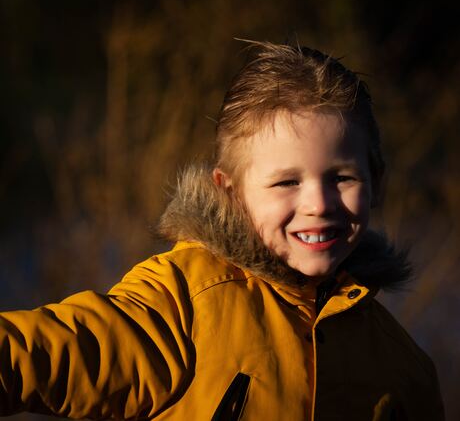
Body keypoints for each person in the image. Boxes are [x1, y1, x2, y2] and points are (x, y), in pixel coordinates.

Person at [0, 42, 444, 420]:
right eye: (287, 182)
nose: (319, 204)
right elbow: (62, 349)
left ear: (376, 182)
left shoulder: (403, 367)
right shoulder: (186, 301)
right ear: (230, 191)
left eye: (342, 178)